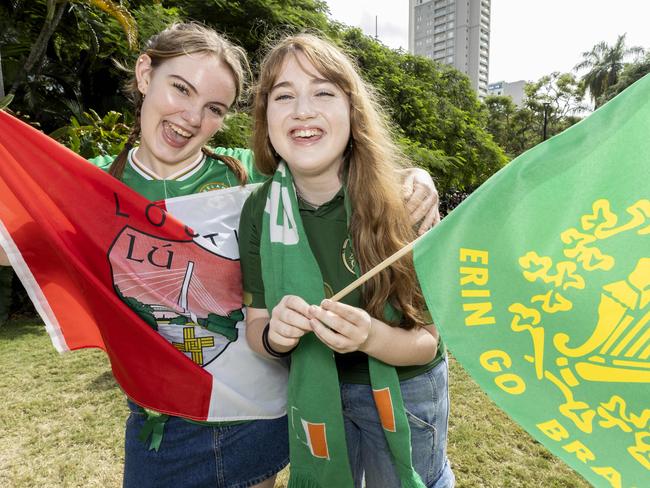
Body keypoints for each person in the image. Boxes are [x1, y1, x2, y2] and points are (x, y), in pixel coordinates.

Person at [0, 23, 442, 488]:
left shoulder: (249, 174)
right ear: (146, 72)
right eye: (180, 89)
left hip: (255, 419)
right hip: (161, 423)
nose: (192, 117)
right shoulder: (86, 191)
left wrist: (418, 178)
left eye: (214, 108)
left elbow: (337, 160)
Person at [239, 34, 454, 487]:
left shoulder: (404, 203)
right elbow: (256, 329)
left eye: (323, 92)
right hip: (317, 390)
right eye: (283, 96)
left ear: (353, 112)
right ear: (265, 119)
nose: (302, 110)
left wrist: (371, 336)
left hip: (406, 388)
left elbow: (426, 342)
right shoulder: (258, 211)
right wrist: (276, 337)